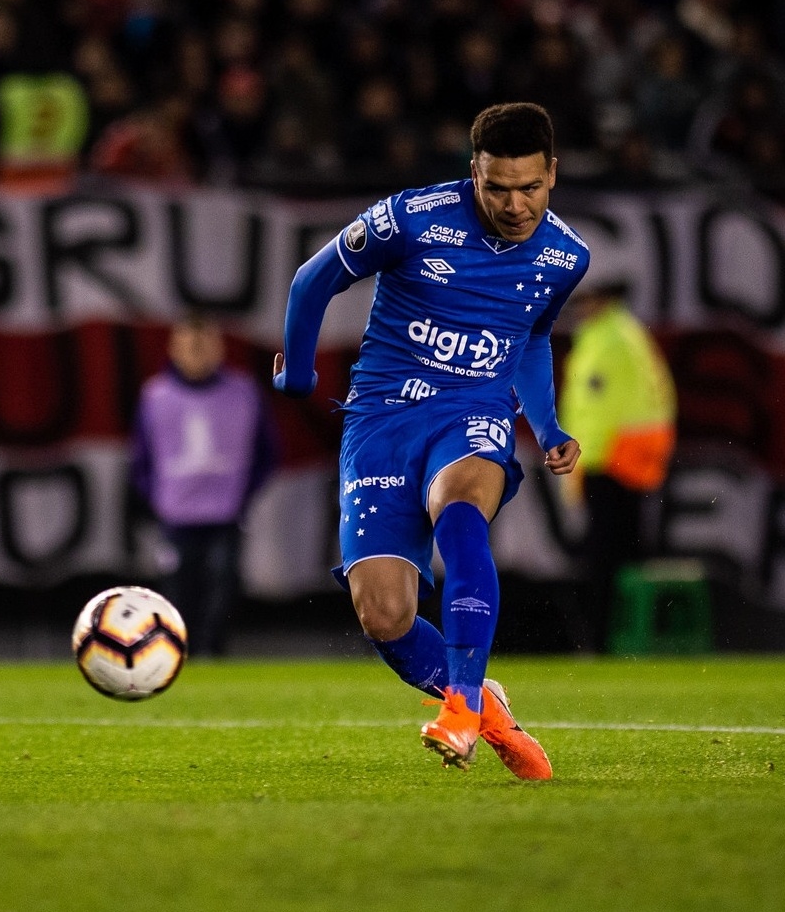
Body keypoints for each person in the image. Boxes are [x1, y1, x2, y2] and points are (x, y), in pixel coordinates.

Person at [273, 102, 589, 776]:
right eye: (496, 186)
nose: (513, 203)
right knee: (383, 612)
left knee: (460, 507)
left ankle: (461, 706)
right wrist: (298, 376)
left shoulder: (566, 256)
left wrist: (548, 422)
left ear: (552, 175)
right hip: (382, 417)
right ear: (472, 170)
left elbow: (529, 337)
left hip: (472, 408)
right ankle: (487, 704)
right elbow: (311, 280)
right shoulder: (411, 218)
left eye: (529, 187)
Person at [133, 315, 279, 657]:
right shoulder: (156, 395)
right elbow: (140, 459)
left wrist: (241, 496)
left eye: (205, 341)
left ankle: (213, 658)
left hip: (224, 517)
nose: (197, 350)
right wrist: (158, 501)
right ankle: (176, 659)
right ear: (173, 347)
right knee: (176, 597)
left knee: (222, 594)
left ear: (220, 348)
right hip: (175, 519)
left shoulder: (243, 393)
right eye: (189, 341)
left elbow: (267, 452)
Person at [558, 280, 677, 653]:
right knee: (624, 554)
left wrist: (578, 462)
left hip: (610, 461)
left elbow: (598, 412)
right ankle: (624, 639)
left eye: (587, 300)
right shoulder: (622, 335)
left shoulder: (608, 341)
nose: (581, 308)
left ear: (604, 301)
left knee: (605, 559)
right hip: (621, 460)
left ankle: (602, 641)